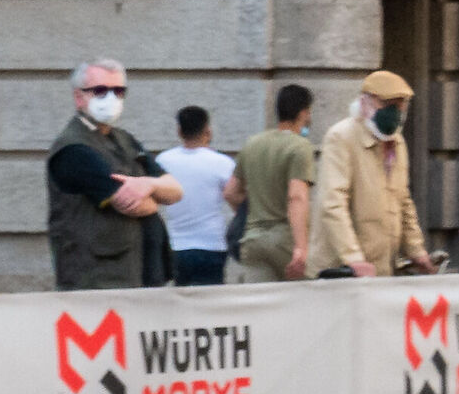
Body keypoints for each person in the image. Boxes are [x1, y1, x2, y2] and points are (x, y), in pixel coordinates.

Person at [47, 56, 183, 293]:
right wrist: (155, 196)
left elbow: (175, 190)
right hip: (100, 279)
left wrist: (146, 184)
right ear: (79, 97)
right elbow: (127, 202)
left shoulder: (124, 139)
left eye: (118, 91)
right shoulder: (72, 148)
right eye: (100, 90)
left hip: (142, 274)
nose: (110, 98)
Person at [308, 70, 432, 279]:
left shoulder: (397, 143)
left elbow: (403, 200)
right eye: (387, 103)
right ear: (365, 103)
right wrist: (353, 257)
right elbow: (333, 202)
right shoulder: (341, 137)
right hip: (341, 270)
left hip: (380, 269)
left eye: (399, 104)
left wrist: (416, 250)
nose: (394, 111)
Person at [232, 84, 316, 283]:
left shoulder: (252, 143)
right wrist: (301, 247)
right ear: (304, 112)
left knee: (260, 308)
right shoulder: (300, 147)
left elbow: (230, 192)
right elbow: (296, 197)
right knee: (307, 302)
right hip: (284, 239)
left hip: (252, 240)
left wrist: (256, 209)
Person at [159, 106, 237, 286]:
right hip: (212, 244)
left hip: (176, 245)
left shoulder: (164, 161)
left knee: (180, 304)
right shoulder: (223, 163)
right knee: (210, 306)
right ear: (207, 130)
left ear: (179, 131)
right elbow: (234, 195)